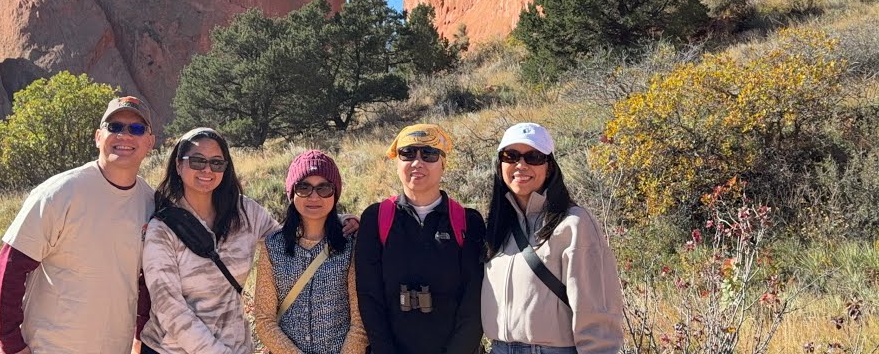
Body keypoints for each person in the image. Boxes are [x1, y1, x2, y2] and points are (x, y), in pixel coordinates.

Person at [0, 95, 157, 354]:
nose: (125, 135)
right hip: (50, 347)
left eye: (136, 129)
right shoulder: (60, 193)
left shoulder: (150, 202)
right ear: (98, 137)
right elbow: (9, 266)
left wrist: (140, 337)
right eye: (114, 127)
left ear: (150, 142)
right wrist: (12, 345)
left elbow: (145, 281)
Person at [480, 122, 624, 354]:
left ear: (549, 167)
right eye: (511, 156)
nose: (521, 165)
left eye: (534, 157)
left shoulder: (573, 224)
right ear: (500, 165)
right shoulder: (498, 226)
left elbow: (597, 312)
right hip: (499, 348)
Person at [139, 127, 280, 354]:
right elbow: (169, 308)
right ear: (178, 165)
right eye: (197, 161)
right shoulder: (162, 229)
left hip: (236, 345)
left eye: (216, 163)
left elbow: (289, 241)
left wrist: (337, 221)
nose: (207, 169)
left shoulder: (245, 213)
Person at [355, 123, 485, 354]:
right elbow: (369, 297)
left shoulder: (468, 222)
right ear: (397, 162)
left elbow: (473, 304)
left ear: (443, 164)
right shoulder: (375, 218)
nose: (417, 162)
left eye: (429, 154)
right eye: (407, 153)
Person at [253, 150, 368, 354]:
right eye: (304, 187)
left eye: (324, 188)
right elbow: (264, 320)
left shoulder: (351, 242)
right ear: (292, 192)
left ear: (335, 193)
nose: (314, 196)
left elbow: (360, 322)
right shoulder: (273, 246)